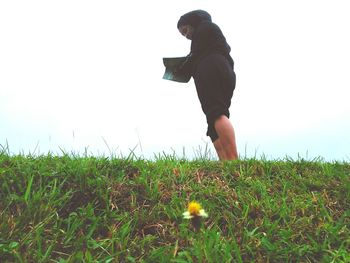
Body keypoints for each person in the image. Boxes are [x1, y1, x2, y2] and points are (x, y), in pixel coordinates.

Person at [176, 10, 238, 160]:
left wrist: (182, 65)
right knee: (212, 120)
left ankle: (233, 161)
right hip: (221, 71)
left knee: (217, 113)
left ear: (193, 23)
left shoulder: (205, 28)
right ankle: (225, 161)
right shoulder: (209, 37)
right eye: (183, 35)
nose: (187, 36)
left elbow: (195, 56)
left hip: (211, 70)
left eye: (186, 31)